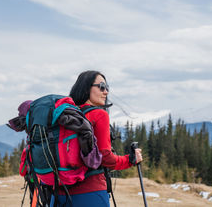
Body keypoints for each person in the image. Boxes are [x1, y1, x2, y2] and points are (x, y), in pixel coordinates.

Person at [50, 70, 143, 207]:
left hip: (58, 194)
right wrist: (130, 159)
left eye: (107, 88)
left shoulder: (64, 116)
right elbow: (105, 158)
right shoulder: (99, 114)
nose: (106, 92)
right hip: (90, 193)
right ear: (87, 88)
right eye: (101, 87)